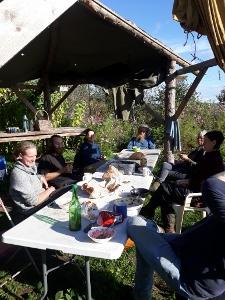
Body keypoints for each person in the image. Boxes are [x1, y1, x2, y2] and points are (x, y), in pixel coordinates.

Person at [128, 173, 225, 300]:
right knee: (145, 241)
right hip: (187, 248)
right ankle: (141, 294)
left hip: (189, 278)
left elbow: (211, 184)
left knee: (134, 222)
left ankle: (141, 294)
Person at [142, 130, 224, 232]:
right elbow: (199, 174)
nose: (203, 143)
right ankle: (167, 226)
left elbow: (206, 182)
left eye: (206, 141)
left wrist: (187, 182)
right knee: (165, 191)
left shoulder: (213, 160)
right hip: (195, 188)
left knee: (164, 189)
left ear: (214, 142)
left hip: (198, 196)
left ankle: (150, 212)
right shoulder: (210, 156)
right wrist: (187, 180)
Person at [9, 141, 55, 214]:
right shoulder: (19, 175)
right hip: (32, 210)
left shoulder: (29, 166)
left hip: (43, 200)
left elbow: (31, 175)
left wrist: (40, 177)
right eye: (30, 156)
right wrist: (50, 190)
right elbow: (34, 202)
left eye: (35, 155)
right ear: (20, 156)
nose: (34, 159)